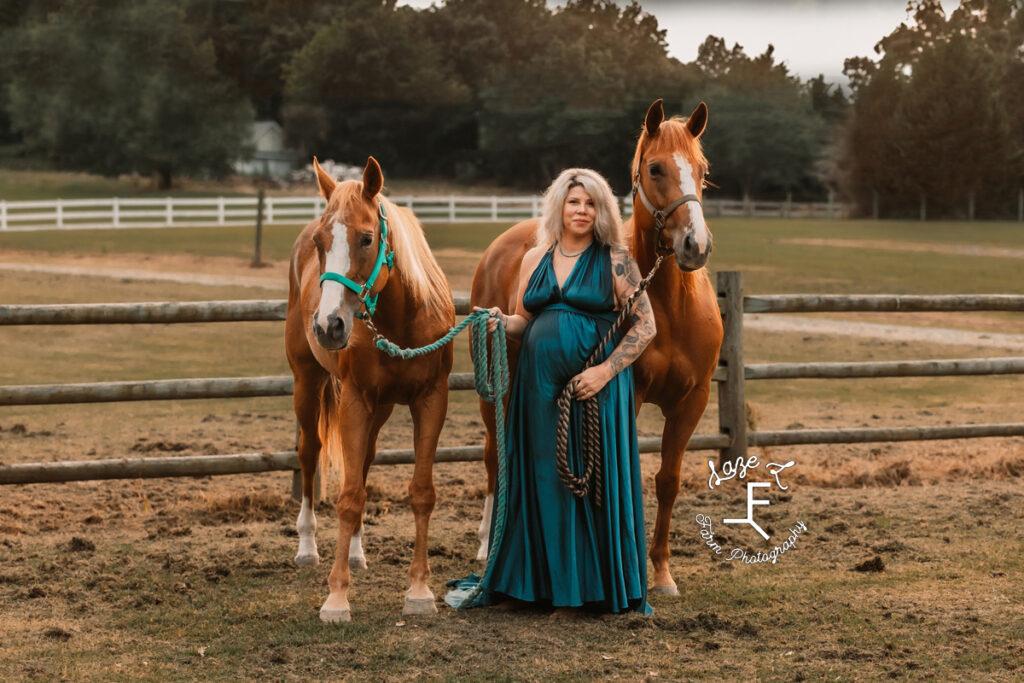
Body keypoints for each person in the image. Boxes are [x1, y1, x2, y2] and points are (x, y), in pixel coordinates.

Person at [449, 168, 657, 617]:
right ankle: (527, 588)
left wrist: (604, 372)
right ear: (558, 207)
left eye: (590, 204)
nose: (581, 211)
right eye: (573, 202)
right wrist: (501, 323)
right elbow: (524, 323)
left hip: (593, 389)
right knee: (537, 480)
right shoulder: (534, 258)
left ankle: (582, 593)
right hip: (536, 388)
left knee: (582, 486)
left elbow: (646, 325)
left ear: (601, 211)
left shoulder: (615, 259)